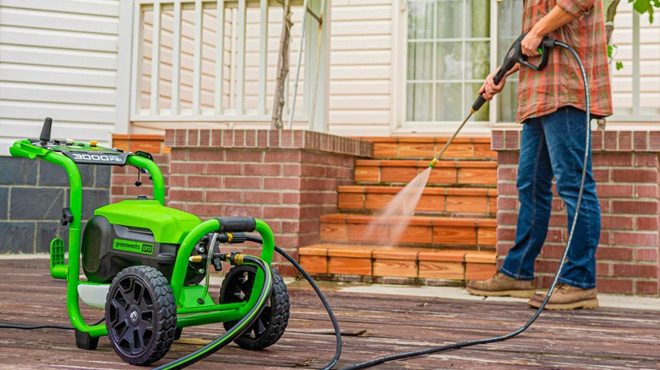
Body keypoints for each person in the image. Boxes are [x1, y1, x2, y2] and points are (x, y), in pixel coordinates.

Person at [466, 0, 612, 310]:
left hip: (567, 88)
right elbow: (532, 41)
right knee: (529, 185)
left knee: (574, 185)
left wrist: (537, 31)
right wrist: (504, 70)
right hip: (537, 93)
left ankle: (579, 282)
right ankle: (517, 273)